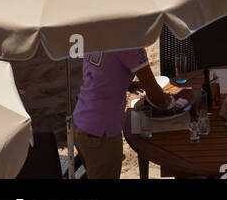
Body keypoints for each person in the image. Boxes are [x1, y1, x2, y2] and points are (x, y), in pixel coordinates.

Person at [72, 47, 178, 179]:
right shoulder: (131, 45)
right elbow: (157, 98)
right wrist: (174, 103)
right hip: (101, 132)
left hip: (81, 122)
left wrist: (126, 83)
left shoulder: (99, 32)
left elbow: (99, 72)